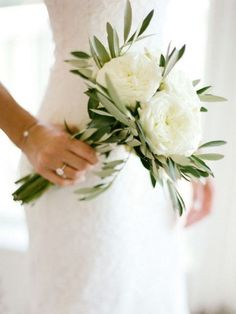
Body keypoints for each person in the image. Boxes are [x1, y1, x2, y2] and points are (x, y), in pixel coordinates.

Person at [0, 1, 213, 313]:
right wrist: (28, 134)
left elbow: (153, 39)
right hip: (72, 153)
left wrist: (184, 143)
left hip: (152, 168)